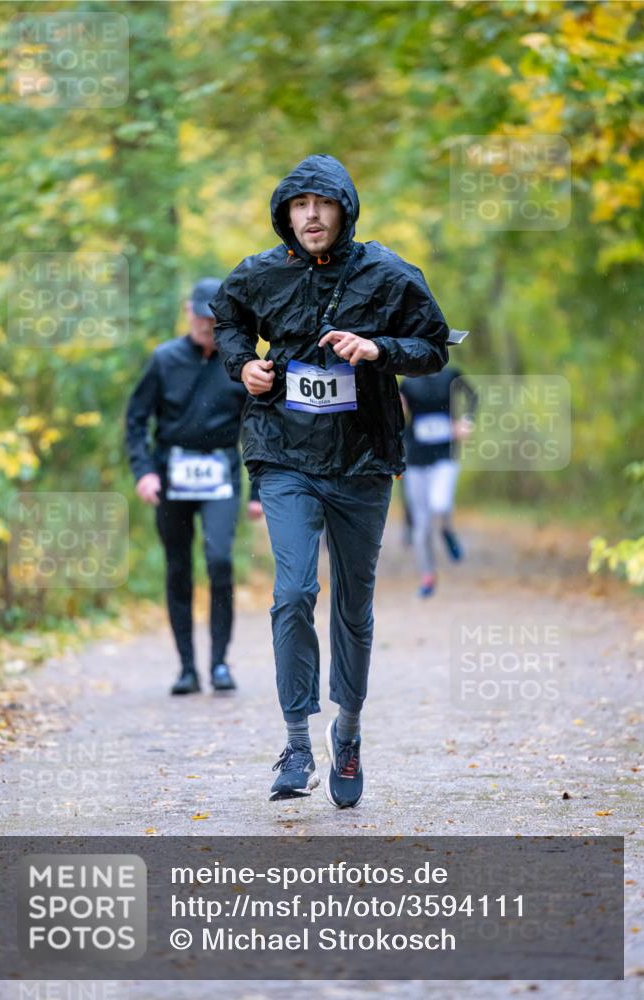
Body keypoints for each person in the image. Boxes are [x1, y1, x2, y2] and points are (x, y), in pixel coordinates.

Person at [211, 154, 449, 807]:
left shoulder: (388, 274)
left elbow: (433, 345)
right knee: (293, 591)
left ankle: (346, 733)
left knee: (351, 606)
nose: (310, 215)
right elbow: (226, 317)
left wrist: (379, 351)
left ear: (343, 209)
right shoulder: (261, 272)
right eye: (299, 205)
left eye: (323, 203)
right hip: (282, 450)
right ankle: (295, 742)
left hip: (363, 459)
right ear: (285, 214)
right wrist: (244, 366)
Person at [126, 278, 261, 696]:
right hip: (171, 473)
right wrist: (144, 471)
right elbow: (135, 420)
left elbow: (257, 428)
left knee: (219, 560)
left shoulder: (239, 364)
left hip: (220, 472)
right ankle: (187, 667)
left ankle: (219, 663)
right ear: (188, 312)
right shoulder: (164, 359)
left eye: (215, 316)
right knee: (178, 567)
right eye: (201, 314)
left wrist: (257, 491)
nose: (207, 322)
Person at [400, 365, 477, 598]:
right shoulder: (408, 381)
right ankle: (427, 576)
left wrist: (466, 421)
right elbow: (397, 415)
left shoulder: (451, 376)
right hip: (415, 458)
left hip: (445, 454)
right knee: (421, 525)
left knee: (440, 504)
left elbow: (473, 395)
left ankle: (446, 529)